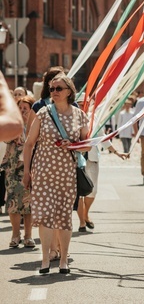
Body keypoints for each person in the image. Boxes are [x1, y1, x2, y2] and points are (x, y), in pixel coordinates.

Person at [23, 74, 91, 274]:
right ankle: (45, 260)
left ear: (69, 91)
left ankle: (63, 260)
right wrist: (27, 172)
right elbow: (29, 143)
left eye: (58, 88)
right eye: (52, 89)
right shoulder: (43, 113)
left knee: (63, 216)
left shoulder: (79, 115)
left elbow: (86, 145)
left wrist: (74, 146)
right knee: (45, 216)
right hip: (43, 171)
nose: (54, 92)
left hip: (66, 173)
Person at [76, 134, 127, 232]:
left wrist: (117, 152)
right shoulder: (73, 119)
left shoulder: (95, 121)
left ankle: (85, 214)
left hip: (92, 159)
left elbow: (104, 138)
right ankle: (82, 222)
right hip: (76, 158)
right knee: (79, 193)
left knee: (93, 191)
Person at [3, 95, 35, 248]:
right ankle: (16, 235)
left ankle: (28, 235)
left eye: (25, 109)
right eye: (20, 108)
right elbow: (6, 139)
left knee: (28, 204)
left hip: (30, 167)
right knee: (13, 203)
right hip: (13, 169)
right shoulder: (12, 124)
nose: (22, 111)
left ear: (31, 111)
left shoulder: (35, 125)